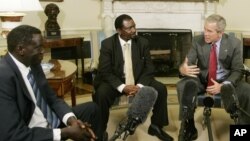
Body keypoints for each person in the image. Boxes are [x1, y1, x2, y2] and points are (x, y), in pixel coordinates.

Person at [0, 25, 106, 141]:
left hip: (50, 119)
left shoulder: (33, 63)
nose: (43, 51)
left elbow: (52, 99)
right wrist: (63, 133)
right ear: (21, 49)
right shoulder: (4, 78)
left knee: (92, 109)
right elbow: (12, 135)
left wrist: (72, 120)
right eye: (38, 47)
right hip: (32, 132)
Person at [93, 14, 173, 141]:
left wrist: (139, 86)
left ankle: (156, 126)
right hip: (116, 81)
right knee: (101, 94)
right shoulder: (107, 44)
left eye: (134, 26)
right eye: (129, 28)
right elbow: (105, 71)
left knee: (161, 88)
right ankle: (99, 131)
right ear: (119, 30)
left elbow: (149, 68)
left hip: (138, 79)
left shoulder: (142, 42)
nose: (134, 30)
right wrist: (123, 87)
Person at [177, 14, 250, 141]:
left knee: (247, 91)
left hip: (225, 79)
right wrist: (182, 69)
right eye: (204, 29)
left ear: (220, 33)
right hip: (202, 79)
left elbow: (238, 70)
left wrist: (224, 85)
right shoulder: (197, 40)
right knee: (184, 85)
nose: (205, 33)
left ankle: (241, 131)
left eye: (209, 31)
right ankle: (188, 126)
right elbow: (188, 63)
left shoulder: (234, 43)